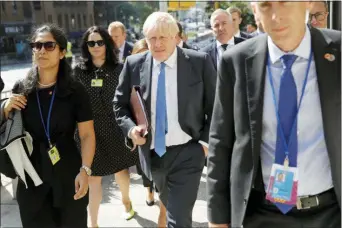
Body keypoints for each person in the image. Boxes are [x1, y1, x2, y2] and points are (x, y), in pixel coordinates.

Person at [207, 1, 340, 228]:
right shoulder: (235, 61)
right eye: (266, 5)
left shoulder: (337, 51)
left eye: (285, 2)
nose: (276, 15)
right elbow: (221, 142)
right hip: (261, 213)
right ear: (254, 8)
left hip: (330, 212)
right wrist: (217, 218)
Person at [114, 12, 216, 227]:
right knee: (169, 206)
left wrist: (204, 146)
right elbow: (119, 105)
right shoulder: (133, 64)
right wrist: (131, 130)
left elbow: (216, 107)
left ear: (175, 37)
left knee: (179, 219)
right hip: (152, 154)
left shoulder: (198, 62)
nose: (157, 43)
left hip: (189, 152)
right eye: (152, 38)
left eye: (163, 37)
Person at [1, 24, 95, 227]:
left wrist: (85, 171)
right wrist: (4, 109)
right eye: (36, 45)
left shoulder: (75, 90)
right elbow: (8, 128)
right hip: (31, 174)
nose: (41, 50)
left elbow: (87, 135)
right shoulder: (21, 87)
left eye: (49, 45)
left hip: (68, 171)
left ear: (62, 52)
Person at [73, 26, 139, 225]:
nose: (95, 46)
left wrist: (133, 128)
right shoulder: (79, 71)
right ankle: (93, 223)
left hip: (115, 127)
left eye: (99, 42)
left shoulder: (120, 69)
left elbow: (131, 100)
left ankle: (126, 202)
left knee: (121, 171)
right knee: (93, 177)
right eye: (91, 43)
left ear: (107, 44)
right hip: (88, 129)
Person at [131, 38, 167, 228]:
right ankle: (149, 192)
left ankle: (164, 210)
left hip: (162, 137)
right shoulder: (128, 76)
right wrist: (130, 130)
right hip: (140, 137)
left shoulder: (162, 72)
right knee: (145, 169)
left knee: (163, 176)